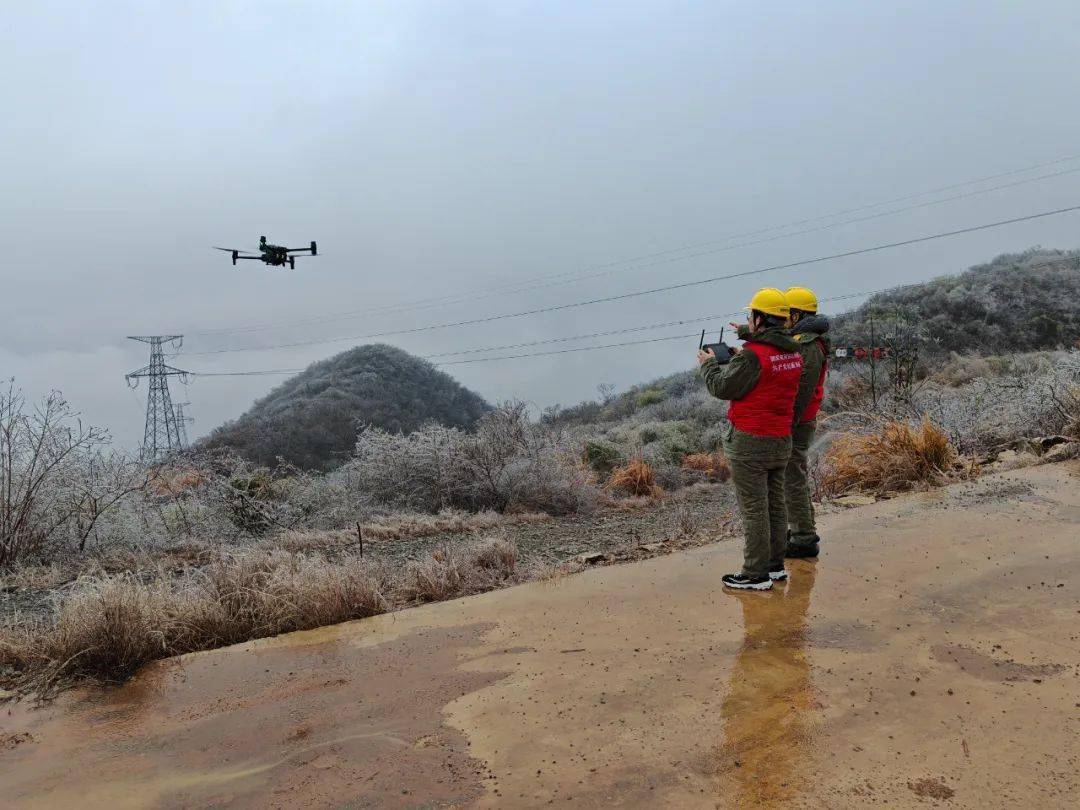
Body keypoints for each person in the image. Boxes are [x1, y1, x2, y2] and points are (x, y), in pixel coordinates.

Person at [699, 288, 803, 590]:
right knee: (775, 503)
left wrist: (708, 363)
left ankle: (754, 574)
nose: (748, 319)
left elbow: (722, 387)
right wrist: (741, 355)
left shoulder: (754, 357)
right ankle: (774, 567)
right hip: (780, 438)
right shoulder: (793, 352)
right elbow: (766, 366)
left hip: (750, 442)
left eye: (750, 315)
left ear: (760, 319)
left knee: (755, 508)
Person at [783, 287, 830, 558]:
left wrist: (787, 422)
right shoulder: (805, 339)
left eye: (785, 314)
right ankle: (801, 530)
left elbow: (803, 389)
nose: (782, 320)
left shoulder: (810, 345)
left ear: (797, 313)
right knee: (792, 474)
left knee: (793, 476)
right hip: (800, 418)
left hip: (798, 420)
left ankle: (803, 538)